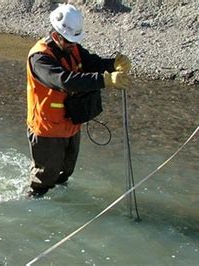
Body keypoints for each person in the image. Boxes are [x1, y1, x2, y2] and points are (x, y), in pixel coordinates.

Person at [26, 4, 132, 197]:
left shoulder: (72, 48)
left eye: (74, 41)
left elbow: (93, 62)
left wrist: (113, 64)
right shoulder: (40, 58)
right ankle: (33, 203)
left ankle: (61, 202)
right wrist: (105, 80)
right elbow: (64, 81)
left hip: (69, 124)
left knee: (65, 171)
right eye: (69, 41)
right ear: (57, 36)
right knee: (44, 179)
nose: (73, 44)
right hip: (47, 129)